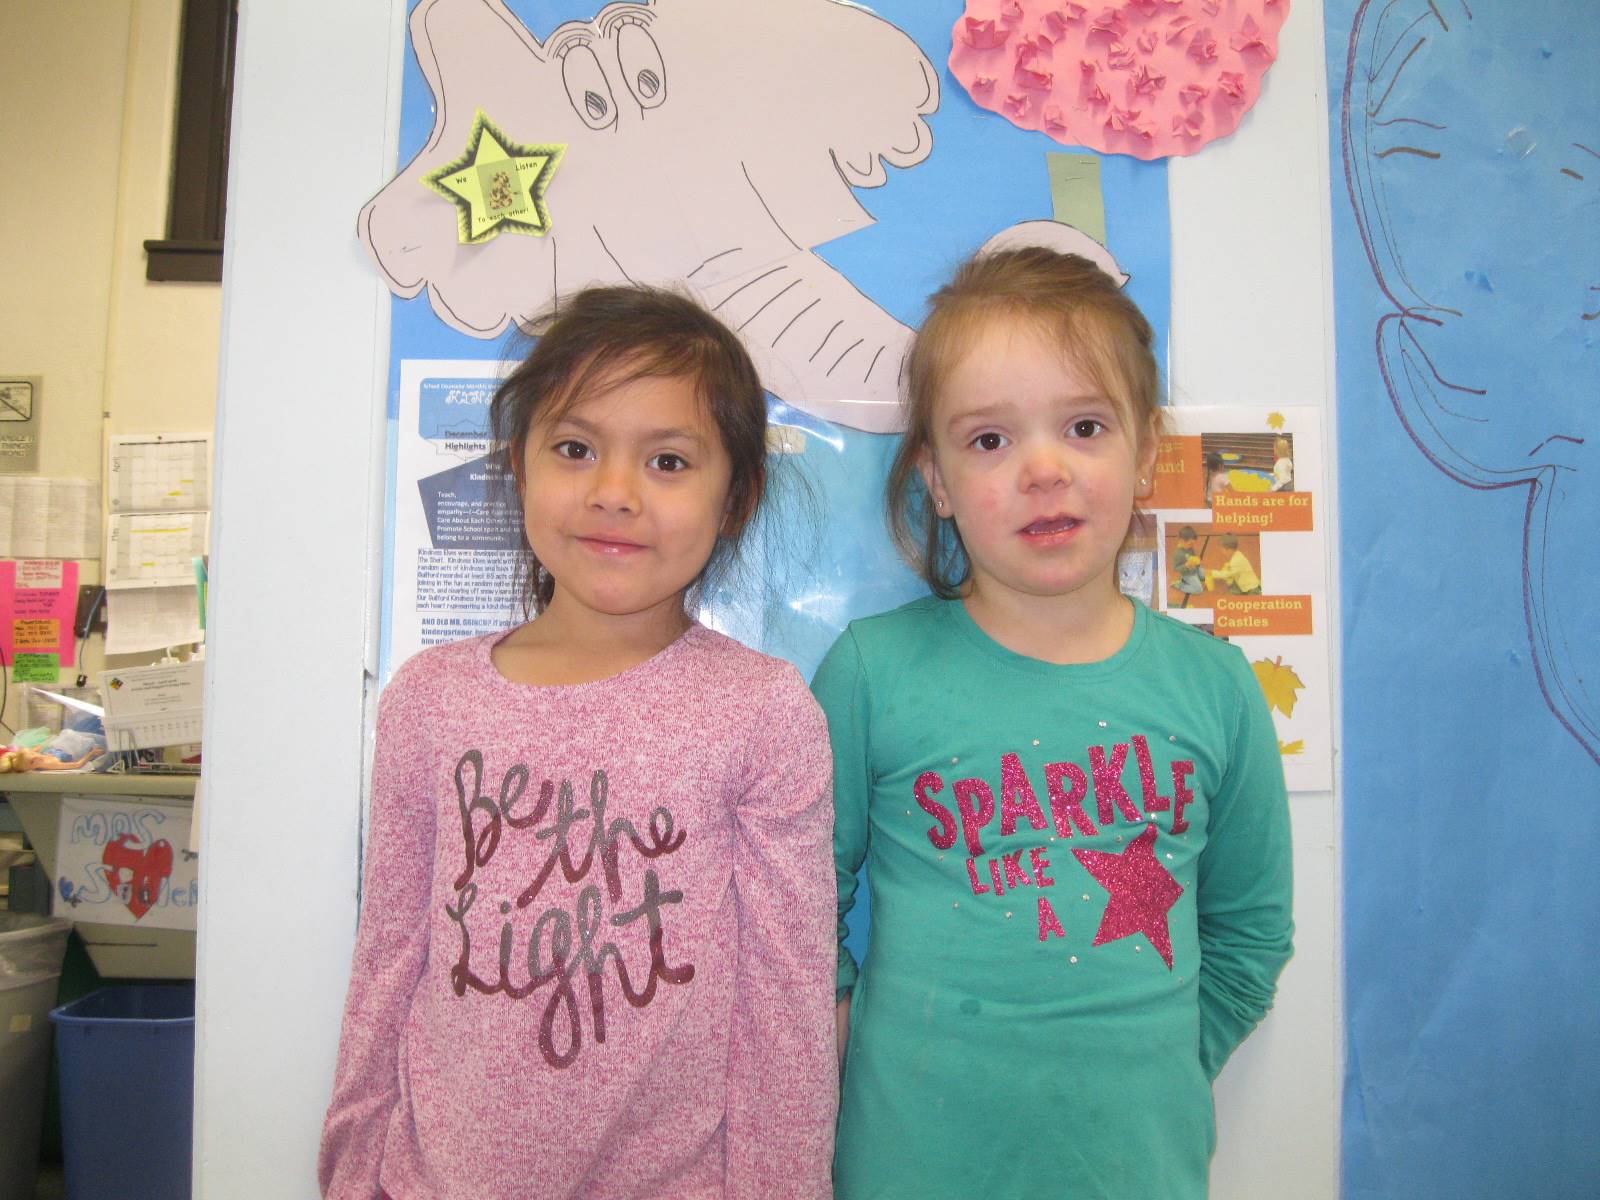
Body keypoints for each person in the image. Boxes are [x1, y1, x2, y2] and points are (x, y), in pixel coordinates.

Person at [319, 286, 838, 1200]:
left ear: (736, 501)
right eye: (574, 448)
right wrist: (353, 1175)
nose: (613, 492)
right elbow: (388, 960)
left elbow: (786, 1016)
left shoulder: (763, 713)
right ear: (519, 467)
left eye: (669, 460)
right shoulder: (430, 702)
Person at [813, 247, 1293, 1200]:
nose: (1042, 469)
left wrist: (1155, 1072)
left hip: (1134, 1170)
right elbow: (798, 899)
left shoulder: (1217, 687)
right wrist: (843, 1046)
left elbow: (1250, 933)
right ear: (937, 479)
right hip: (910, 1168)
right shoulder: (873, 673)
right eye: (989, 441)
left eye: (1083, 426)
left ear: (1147, 451)